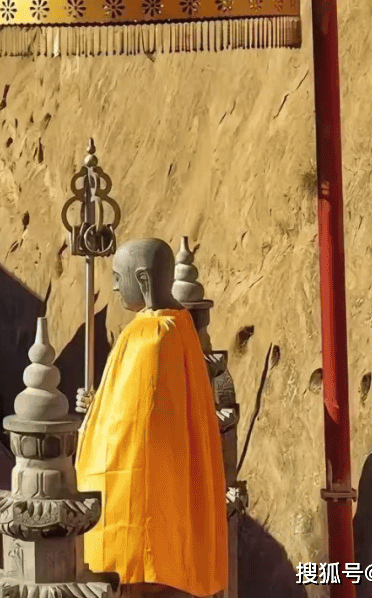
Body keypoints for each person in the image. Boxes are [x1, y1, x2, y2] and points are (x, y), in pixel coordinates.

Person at [75, 239, 227, 598]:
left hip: (139, 509)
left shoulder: (152, 339)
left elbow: (131, 429)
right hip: (164, 505)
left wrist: (96, 419)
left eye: (117, 278)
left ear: (143, 280)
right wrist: (97, 405)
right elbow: (132, 405)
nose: (113, 287)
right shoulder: (179, 328)